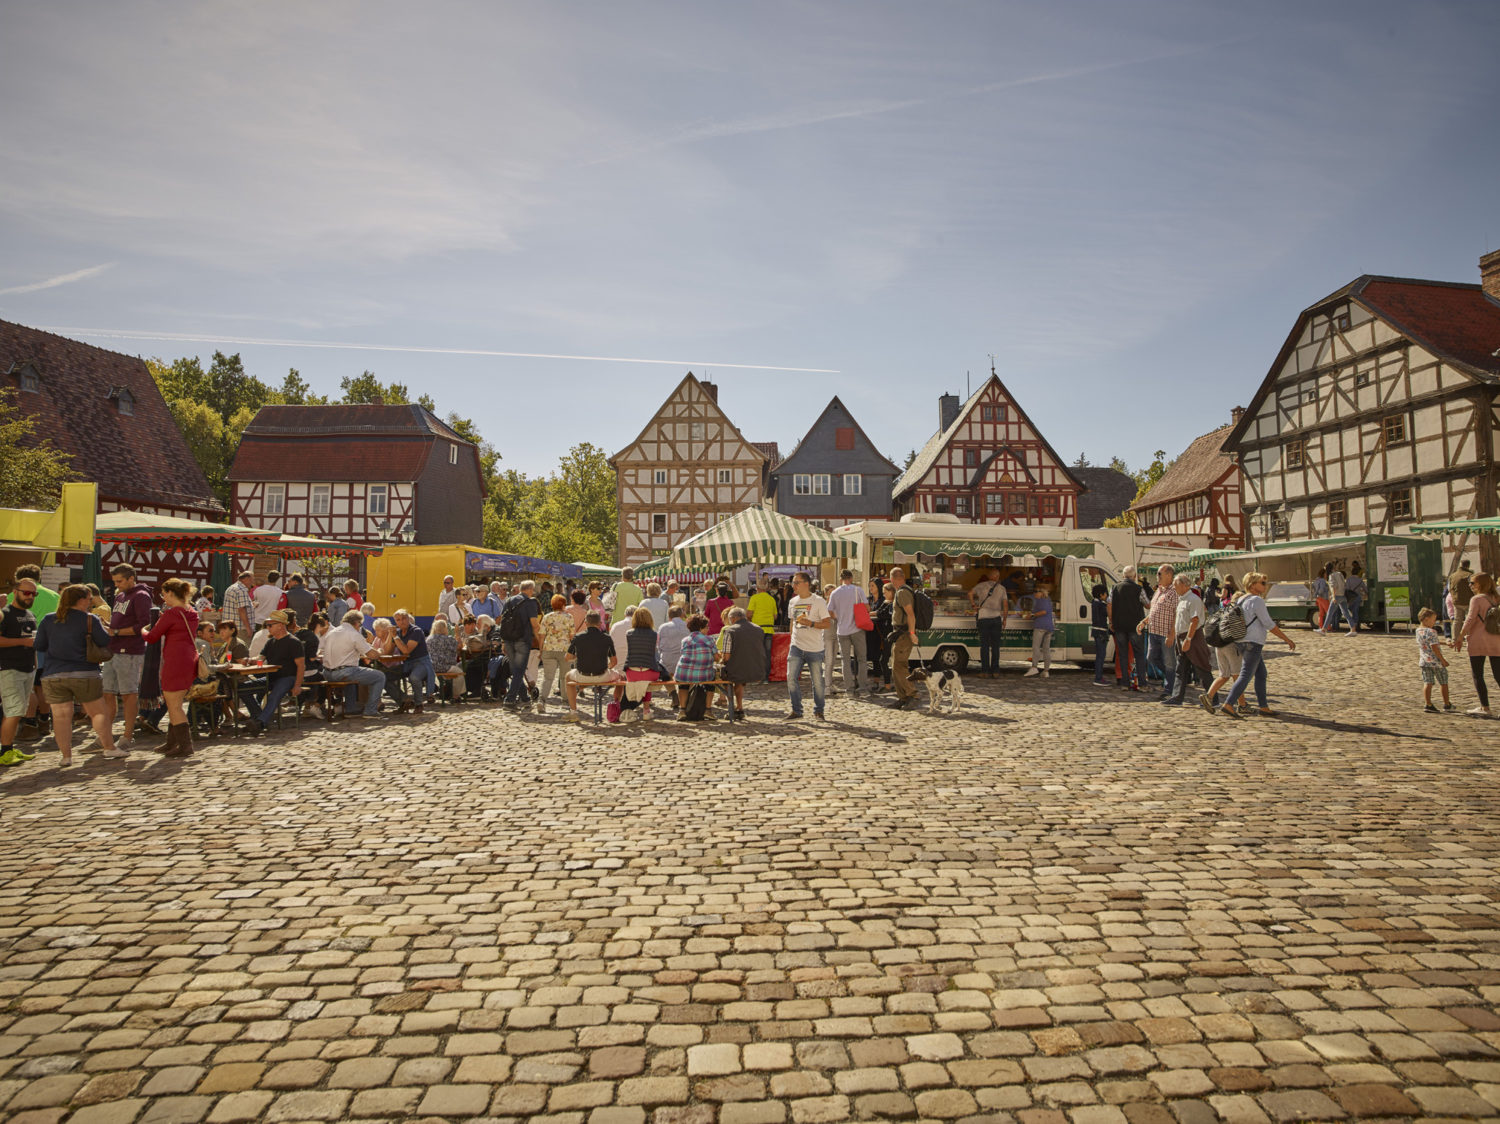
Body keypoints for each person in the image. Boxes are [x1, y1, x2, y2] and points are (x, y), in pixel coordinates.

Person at [33, 585, 122, 765]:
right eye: (88, 599)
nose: (90, 602)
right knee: (98, 712)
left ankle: (66, 757)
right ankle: (109, 748)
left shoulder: (49, 620)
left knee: (60, 717)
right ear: (80, 600)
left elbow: (39, 645)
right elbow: (105, 641)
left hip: (53, 674)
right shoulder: (90, 620)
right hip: (85, 672)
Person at [1219, 572, 1297, 718]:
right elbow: (1268, 624)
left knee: (1261, 674)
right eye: (1262, 583)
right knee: (1245, 675)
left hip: (1241, 640)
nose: (1265, 586)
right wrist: (1287, 639)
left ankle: (1264, 707)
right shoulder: (1257, 601)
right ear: (1253, 585)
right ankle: (1228, 704)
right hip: (1253, 642)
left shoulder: (1241, 599)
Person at [142, 578, 201, 756]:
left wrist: (142, 630)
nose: (163, 598)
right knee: (175, 702)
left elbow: (152, 637)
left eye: (163, 594)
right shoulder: (191, 611)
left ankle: (185, 746)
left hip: (175, 660)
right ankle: (171, 743)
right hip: (189, 657)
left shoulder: (172, 613)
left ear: (170, 593)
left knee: (174, 705)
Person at [103, 563, 154, 753]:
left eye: (120, 581)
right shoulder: (119, 595)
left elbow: (145, 624)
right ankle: (105, 735)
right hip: (113, 648)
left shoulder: (141, 596)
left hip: (130, 650)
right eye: (115, 581)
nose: (117, 584)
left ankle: (127, 735)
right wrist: (108, 626)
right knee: (107, 693)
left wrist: (115, 631)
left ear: (131, 578)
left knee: (128, 694)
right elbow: (121, 620)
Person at [0, 576, 40, 767]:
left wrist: (34, 664)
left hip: (27, 668)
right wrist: (23, 642)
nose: (30, 596)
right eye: (26, 592)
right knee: (13, 710)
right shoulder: (5, 613)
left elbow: (33, 643)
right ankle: (5, 751)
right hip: (9, 668)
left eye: (34, 593)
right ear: (15, 591)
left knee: (18, 710)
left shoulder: (30, 615)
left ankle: (9, 747)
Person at [320, 609, 388, 720]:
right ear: (356, 623)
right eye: (360, 625)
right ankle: (371, 710)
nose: (359, 627)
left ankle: (350, 709)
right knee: (379, 676)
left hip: (327, 673)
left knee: (352, 672)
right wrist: (380, 651)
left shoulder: (331, 633)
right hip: (343, 672)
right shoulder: (354, 634)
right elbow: (372, 655)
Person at [784, 571, 832, 720]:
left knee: (817, 682)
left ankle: (819, 710)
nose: (794, 585)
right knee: (791, 678)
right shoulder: (793, 602)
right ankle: (797, 710)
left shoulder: (818, 601)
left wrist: (810, 623)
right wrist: (792, 636)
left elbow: (827, 624)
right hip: (796, 646)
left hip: (815, 648)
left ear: (806, 584)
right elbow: (792, 621)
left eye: (796, 582)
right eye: (793, 582)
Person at [1451, 571, 1499, 718]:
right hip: (1496, 640)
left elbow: (1470, 620)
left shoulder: (1476, 599)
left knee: (1478, 675)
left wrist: (1459, 637)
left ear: (1481, 584)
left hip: (1478, 640)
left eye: (1472, 583)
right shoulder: (1496, 597)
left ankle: (1485, 707)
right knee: (1498, 675)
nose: (1470, 585)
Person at [564, 611, 622, 720]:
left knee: (568, 677)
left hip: (582, 675)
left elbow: (567, 658)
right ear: (600, 623)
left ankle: (573, 711)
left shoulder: (578, 637)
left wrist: (577, 656)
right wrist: (606, 668)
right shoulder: (606, 638)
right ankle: (617, 705)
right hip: (602, 675)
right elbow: (614, 662)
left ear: (585, 623)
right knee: (621, 677)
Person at [1164, 574, 1212, 707]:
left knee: (1202, 667)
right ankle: (1177, 697)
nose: (1174, 587)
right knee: (1181, 669)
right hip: (1182, 637)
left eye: (1176, 585)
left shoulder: (1193, 599)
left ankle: (1213, 698)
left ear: (1185, 585)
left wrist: (1188, 639)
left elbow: (1195, 620)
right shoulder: (1181, 599)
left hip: (1193, 637)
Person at [1201, 592, 1248, 715]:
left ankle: (1208, 696)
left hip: (1218, 645)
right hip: (1231, 646)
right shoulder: (1237, 611)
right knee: (1237, 675)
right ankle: (1242, 705)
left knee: (1224, 675)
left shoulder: (1224, 609)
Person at [827, 569, 871, 697]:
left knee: (845, 660)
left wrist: (838, 617)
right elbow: (867, 608)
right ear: (851, 578)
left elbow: (829, 611)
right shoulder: (858, 590)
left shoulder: (835, 593)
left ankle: (849, 690)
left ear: (841, 579)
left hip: (842, 630)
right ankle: (862, 689)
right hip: (857, 629)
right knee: (862, 659)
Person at [719, 606, 768, 719]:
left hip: (737, 670)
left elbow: (726, 656)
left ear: (733, 618)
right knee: (739, 680)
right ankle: (739, 707)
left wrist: (721, 661)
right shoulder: (758, 629)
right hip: (756, 668)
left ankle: (732, 707)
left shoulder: (730, 631)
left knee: (724, 676)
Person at [500, 580, 542, 709]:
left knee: (515, 669)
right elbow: (534, 624)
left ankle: (524, 698)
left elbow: (503, 621)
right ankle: (510, 699)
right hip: (523, 640)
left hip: (508, 639)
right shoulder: (530, 602)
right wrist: (540, 641)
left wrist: (502, 642)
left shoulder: (509, 601)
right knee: (519, 670)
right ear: (530, 589)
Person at [615, 606, 662, 722]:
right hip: (650, 670)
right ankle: (646, 710)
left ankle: (643, 709)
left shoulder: (629, 633)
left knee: (642, 680)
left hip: (632, 671)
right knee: (647, 682)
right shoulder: (654, 634)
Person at [1141, 565, 1179, 696]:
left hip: (1165, 633)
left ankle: (1169, 689)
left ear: (1169, 575)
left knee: (1169, 662)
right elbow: (1153, 611)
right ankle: (1174, 677)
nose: (1157, 577)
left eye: (1159, 574)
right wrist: (1144, 622)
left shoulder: (1174, 592)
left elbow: (1176, 614)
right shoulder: (1159, 590)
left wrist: (1172, 634)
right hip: (1153, 631)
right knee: (1151, 657)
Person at [388, 609, 435, 715]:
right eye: (398, 620)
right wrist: (389, 636)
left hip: (422, 663)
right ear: (395, 622)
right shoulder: (398, 632)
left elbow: (406, 651)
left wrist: (395, 637)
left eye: (404, 618)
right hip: (406, 664)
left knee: (414, 677)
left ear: (408, 619)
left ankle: (419, 704)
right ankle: (405, 701)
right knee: (384, 676)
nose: (401, 622)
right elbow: (388, 651)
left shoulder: (416, 631)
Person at [1108, 565, 1148, 690]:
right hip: (1135, 626)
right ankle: (1142, 683)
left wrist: (1111, 621)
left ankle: (1124, 683)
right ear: (1134, 576)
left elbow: (1109, 604)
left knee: (1123, 654)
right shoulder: (1138, 589)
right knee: (1139, 655)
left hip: (1120, 625)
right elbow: (1147, 605)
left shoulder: (1115, 588)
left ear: (1123, 576)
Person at [673, 614, 718, 720]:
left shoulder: (685, 640)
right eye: (707, 627)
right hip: (704, 675)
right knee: (711, 682)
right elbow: (716, 657)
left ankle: (682, 710)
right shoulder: (709, 640)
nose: (708, 629)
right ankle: (708, 710)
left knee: (683, 685)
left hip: (683, 673)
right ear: (701, 628)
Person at [536, 594, 576, 714]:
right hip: (564, 650)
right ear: (563, 605)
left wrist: (541, 649)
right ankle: (565, 701)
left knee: (548, 677)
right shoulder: (569, 617)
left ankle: (542, 700)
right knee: (564, 677)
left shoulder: (547, 617)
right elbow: (572, 636)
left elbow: (542, 635)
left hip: (549, 648)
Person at [886, 568, 919, 710]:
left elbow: (910, 614)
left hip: (904, 634)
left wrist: (912, 633)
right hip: (900, 634)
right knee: (895, 666)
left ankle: (913, 695)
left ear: (892, 579)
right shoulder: (903, 591)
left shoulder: (903, 592)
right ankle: (903, 697)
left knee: (900, 666)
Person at [970, 566, 1008, 679]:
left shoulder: (981, 586)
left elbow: (970, 593)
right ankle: (995, 671)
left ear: (989, 577)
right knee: (996, 646)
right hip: (996, 618)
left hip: (983, 618)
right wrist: (1005, 619)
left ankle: (985, 671)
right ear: (996, 577)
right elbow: (1005, 605)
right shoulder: (1002, 588)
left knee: (985, 646)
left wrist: (973, 605)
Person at [1414, 608, 1454, 713]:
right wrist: (1443, 660)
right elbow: (1434, 647)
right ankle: (1447, 703)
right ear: (1426, 619)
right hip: (1436, 662)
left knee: (1427, 683)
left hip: (1424, 661)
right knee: (1443, 682)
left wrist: (1445, 643)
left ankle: (1428, 703)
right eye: (1433, 620)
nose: (1434, 622)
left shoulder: (1418, 631)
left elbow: (1431, 642)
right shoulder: (1432, 631)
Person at [747, 577, 777, 681]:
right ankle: (765, 678)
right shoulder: (771, 599)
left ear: (757, 587)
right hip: (769, 629)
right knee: (767, 654)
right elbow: (775, 616)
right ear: (767, 587)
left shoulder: (754, 598)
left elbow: (749, 614)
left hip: (757, 629)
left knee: (757, 653)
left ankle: (757, 677)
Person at [1025, 584, 1055, 678]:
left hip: (1040, 626)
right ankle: (1046, 670)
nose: (1034, 594)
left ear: (1041, 592)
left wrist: (1032, 616)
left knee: (1036, 647)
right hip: (1049, 627)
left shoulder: (1041, 600)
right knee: (1046, 649)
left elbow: (1043, 612)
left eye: (1035, 592)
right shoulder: (1048, 600)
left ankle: (1034, 667)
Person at [656, 604, 689, 684]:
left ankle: (672, 691)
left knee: (665, 673)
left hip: (667, 661)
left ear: (669, 616)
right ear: (681, 614)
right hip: (685, 661)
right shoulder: (688, 626)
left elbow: (658, 646)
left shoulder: (663, 627)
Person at [870, 581, 891, 691]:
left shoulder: (889, 602)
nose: (884, 594)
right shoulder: (884, 601)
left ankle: (888, 685)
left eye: (885, 592)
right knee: (878, 658)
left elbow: (881, 613)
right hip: (877, 633)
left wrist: (869, 613)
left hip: (886, 634)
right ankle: (884, 684)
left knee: (883, 660)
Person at [1089, 583, 1111, 686]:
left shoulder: (1094, 603)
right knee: (1101, 656)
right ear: (1101, 594)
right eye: (1105, 594)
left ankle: (1098, 676)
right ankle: (1098, 678)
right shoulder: (1101, 605)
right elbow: (1108, 613)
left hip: (1096, 631)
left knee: (1099, 655)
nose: (1106, 596)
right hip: (1101, 632)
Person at [222, 570, 255, 638]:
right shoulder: (241, 590)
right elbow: (241, 610)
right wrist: (248, 628)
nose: (252, 582)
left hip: (230, 626)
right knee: (242, 647)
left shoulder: (231, 588)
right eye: (252, 579)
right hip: (240, 628)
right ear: (246, 579)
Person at [1447, 559, 1474, 639]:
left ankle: (1455, 638)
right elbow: (1473, 588)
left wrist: (1454, 597)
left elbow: (1450, 588)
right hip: (1468, 601)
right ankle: (1468, 637)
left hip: (1456, 601)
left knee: (1457, 621)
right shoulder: (1469, 575)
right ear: (1468, 566)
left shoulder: (1452, 575)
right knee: (1468, 620)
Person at [1320, 562, 1346, 634]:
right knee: (1344, 612)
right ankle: (1353, 628)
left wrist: (1333, 596)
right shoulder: (1339, 574)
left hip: (1336, 596)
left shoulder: (1331, 576)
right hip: (1342, 595)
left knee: (1330, 613)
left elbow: (1333, 587)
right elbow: (1343, 584)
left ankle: (1323, 629)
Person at [1343, 562, 1368, 635]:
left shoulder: (1348, 580)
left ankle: (1352, 625)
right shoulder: (1360, 580)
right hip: (1357, 597)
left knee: (1350, 611)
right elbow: (1365, 589)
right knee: (1356, 611)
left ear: (1351, 572)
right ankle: (1356, 626)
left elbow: (1346, 589)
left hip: (1350, 598)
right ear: (1358, 573)